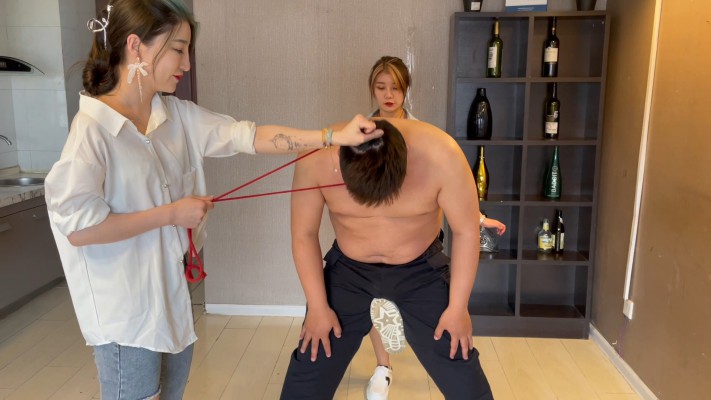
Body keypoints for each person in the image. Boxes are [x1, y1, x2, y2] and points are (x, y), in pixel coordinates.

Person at [43, 1, 382, 399]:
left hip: (172, 301)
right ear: (135, 46)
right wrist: (171, 214)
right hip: (124, 316)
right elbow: (79, 229)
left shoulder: (175, 116)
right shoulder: (92, 130)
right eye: (178, 49)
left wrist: (332, 136)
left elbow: (249, 136)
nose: (186, 63)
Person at [280, 118, 494, 400]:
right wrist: (318, 308)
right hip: (348, 272)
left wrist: (458, 308)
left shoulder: (443, 155)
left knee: (460, 362)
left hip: (420, 268)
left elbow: (466, 232)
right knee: (312, 361)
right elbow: (304, 235)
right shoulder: (316, 158)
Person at [363, 56, 505, 400]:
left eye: (395, 88)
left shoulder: (426, 137)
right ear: (372, 90)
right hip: (373, 236)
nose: (388, 95)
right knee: (369, 301)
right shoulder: (359, 134)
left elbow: (448, 185)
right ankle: (383, 367)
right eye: (381, 87)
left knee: (438, 313)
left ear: (406, 90)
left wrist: (478, 218)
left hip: (419, 243)